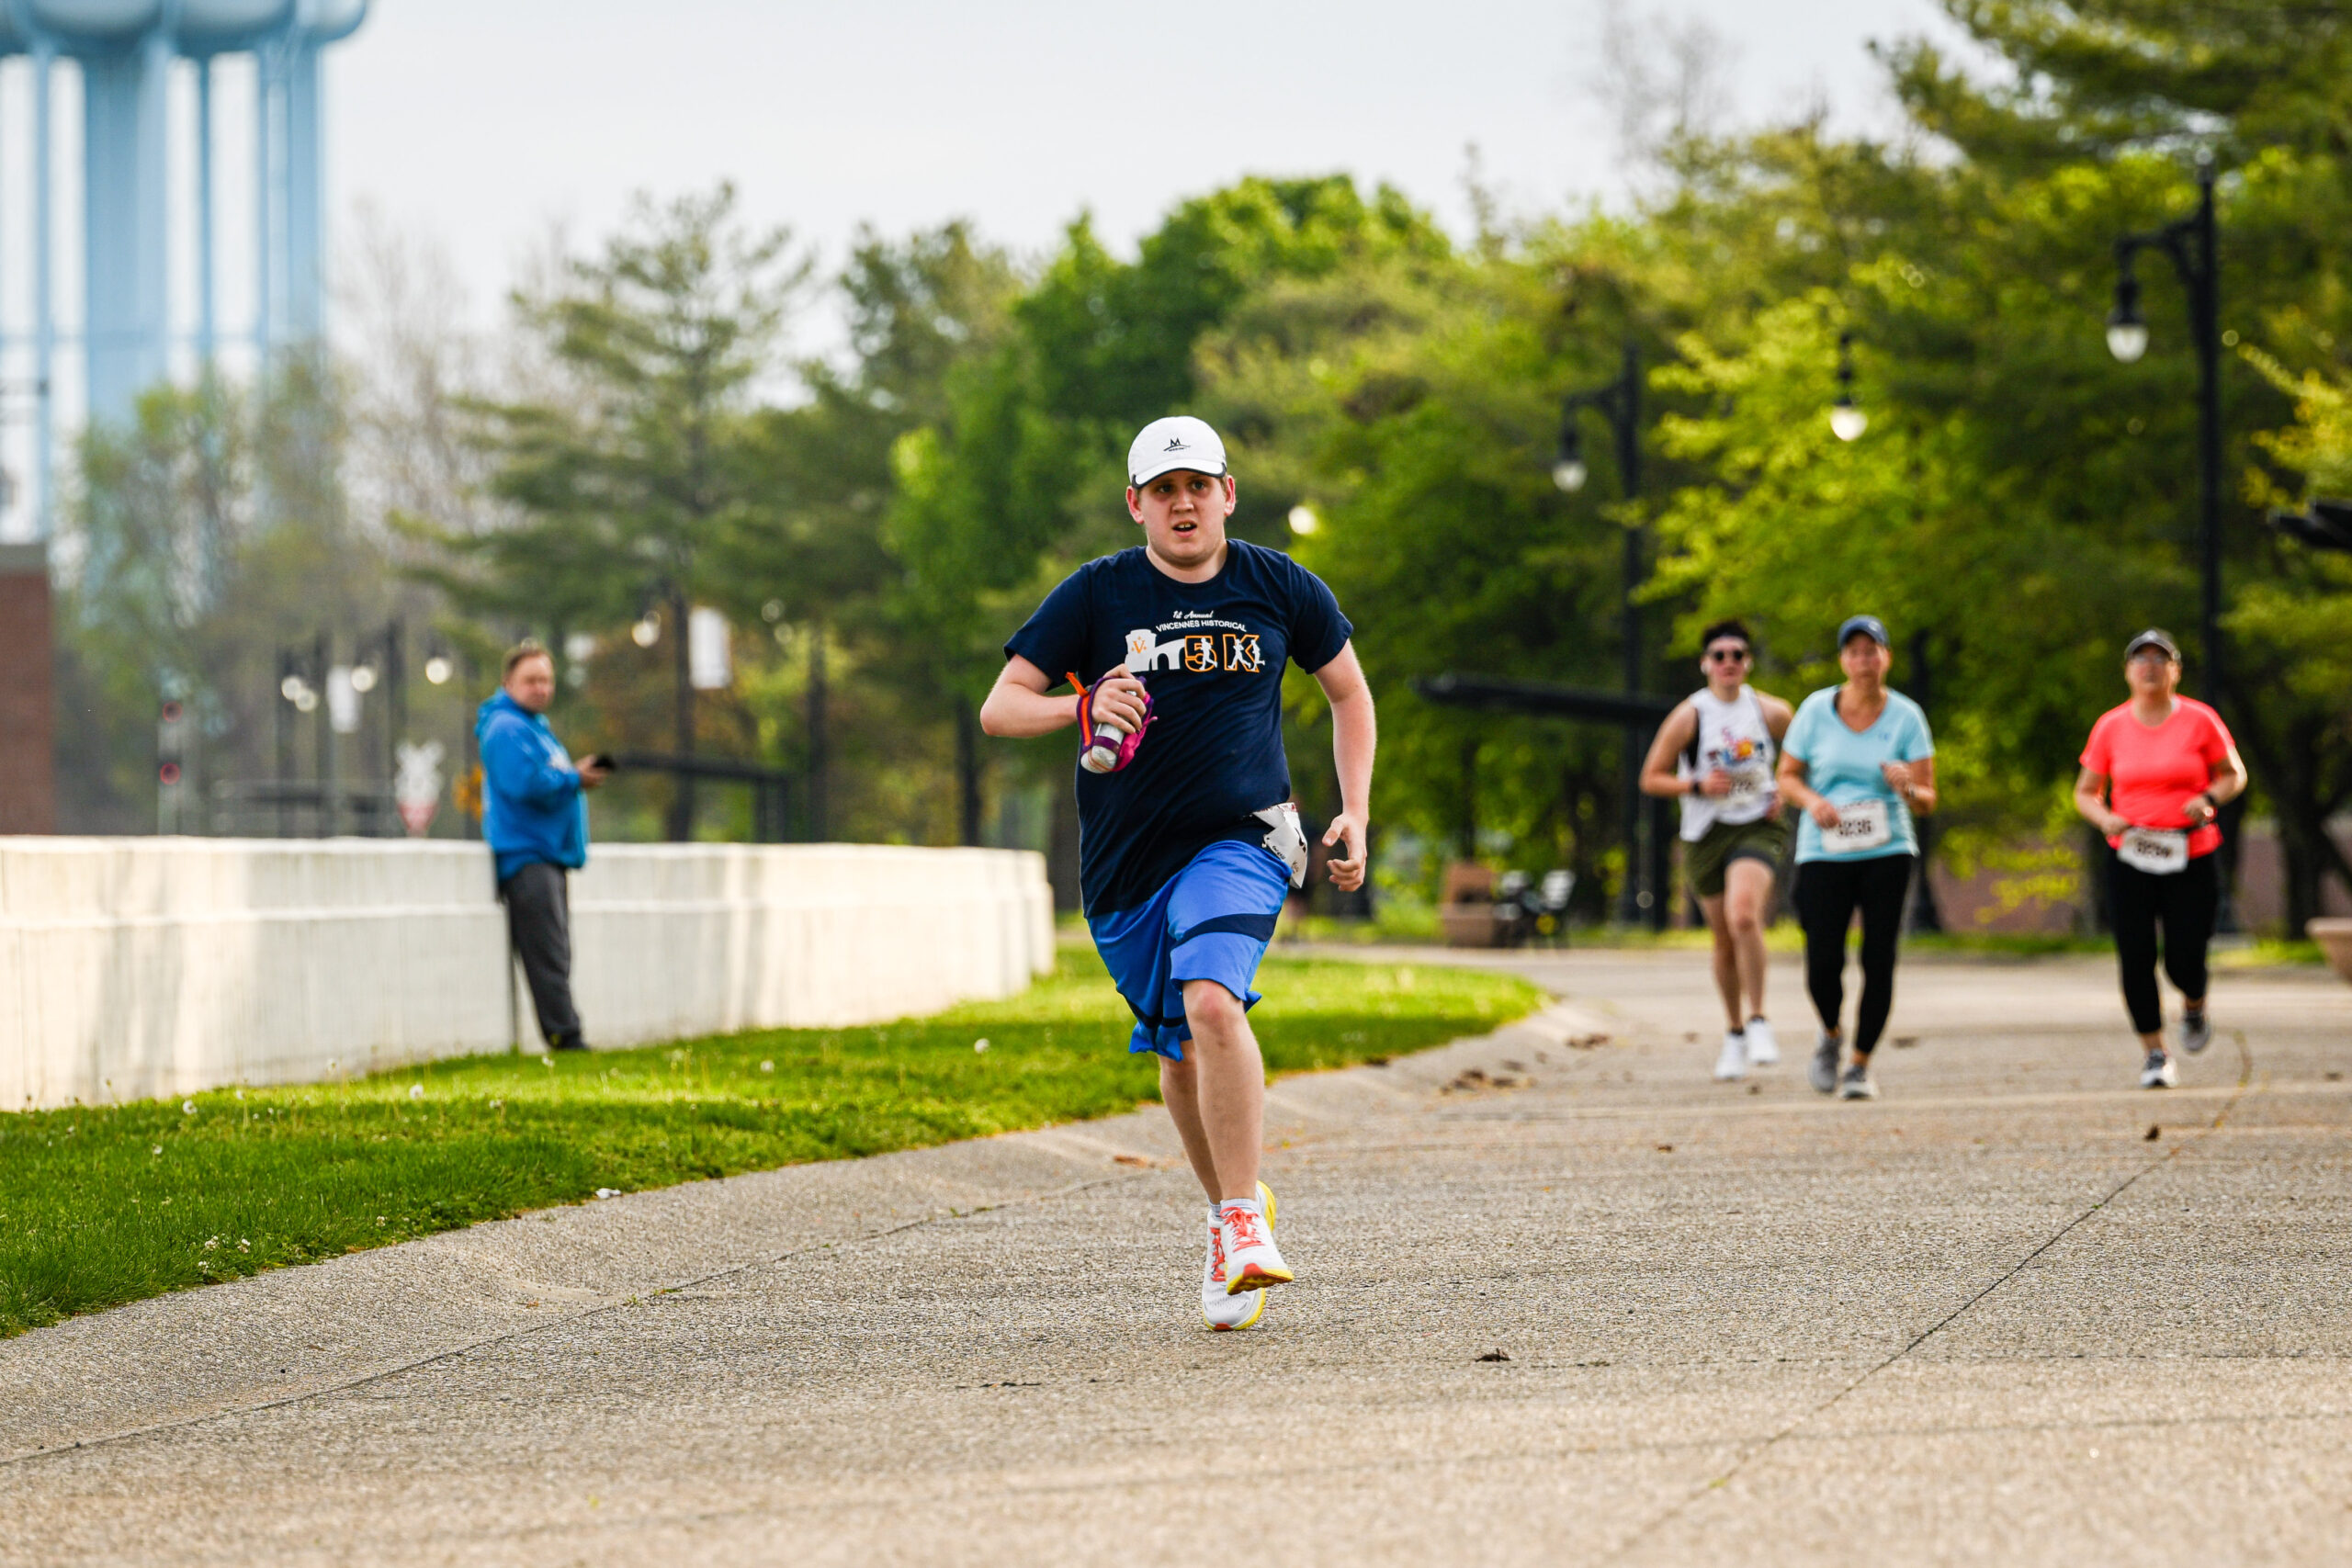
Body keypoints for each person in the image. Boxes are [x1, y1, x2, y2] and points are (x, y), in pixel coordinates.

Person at [980, 414, 1375, 1333]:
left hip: (1244, 840)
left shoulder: (1280, 585)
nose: (1183, 503)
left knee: (1210, 1001)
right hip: (1125, 866)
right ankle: (1228, 1212)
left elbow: (1349, 692)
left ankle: (1241, 1219)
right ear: (1137, 505)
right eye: (1164, 490)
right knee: (1175, 1046)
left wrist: (1354, 808)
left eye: (1198, 485)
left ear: (1228, 493)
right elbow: (1001, 708)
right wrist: (1081, 707)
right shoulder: (1096, 593)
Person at [2072, 628, 2247, 1089]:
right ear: (2127, 671)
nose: (2149, 667)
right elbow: (2085, 792)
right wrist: (2105, 818)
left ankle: (2194, 1002)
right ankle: (2155, 1052)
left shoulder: (2200, 720)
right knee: (2135, 955)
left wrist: (2209, 798)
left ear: (2176, 671)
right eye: (2140, 659)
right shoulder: (2111, 726)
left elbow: (2234, 774)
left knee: (2185, 955)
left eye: (2159, 659)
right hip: (2130, 853)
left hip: (2190, 851)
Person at [1774, 615, 1936, 1100]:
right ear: (1843, 660)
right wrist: (1812, 802)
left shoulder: (1907, 717)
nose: (1864, 661)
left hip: (1887, 848)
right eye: (1855, 652)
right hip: (1825, 848)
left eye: (1872, 651)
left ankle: (1860, 1064)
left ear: (1887, 658)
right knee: (1823, 958)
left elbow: (1928, 798)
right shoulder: (1814, 711)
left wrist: (1908, 787)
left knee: (1879, 957)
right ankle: (1830, 1034)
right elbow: (1786, 776)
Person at [1640, 618, 1794, 1081]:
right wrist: (1696, 785)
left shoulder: (1772, 712)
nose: (1729, 662)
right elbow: (1651, 777)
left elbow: (1807, 757)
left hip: (1757, 826)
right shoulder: (1690, 716)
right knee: (1724, 939)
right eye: (1720, 655)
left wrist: (1786, 789)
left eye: (1737, 655)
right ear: (1705, 663)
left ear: (1748, 663)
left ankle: (1760, 1019)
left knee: (1743, 915)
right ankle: (1734, 1033)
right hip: (1705, 833)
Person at [478, 641, 610, 1053]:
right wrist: (574, 779)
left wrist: (572, 776)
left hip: (548, 855)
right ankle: (565, 1037)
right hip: (526, 856)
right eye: (531, 680)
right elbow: (524, 783)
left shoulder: (534, 727)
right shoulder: (506, 728)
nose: (541, 688)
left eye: (547, 680)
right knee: (547, 952)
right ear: (508, 683)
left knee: (558, 948)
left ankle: (565, 1031)